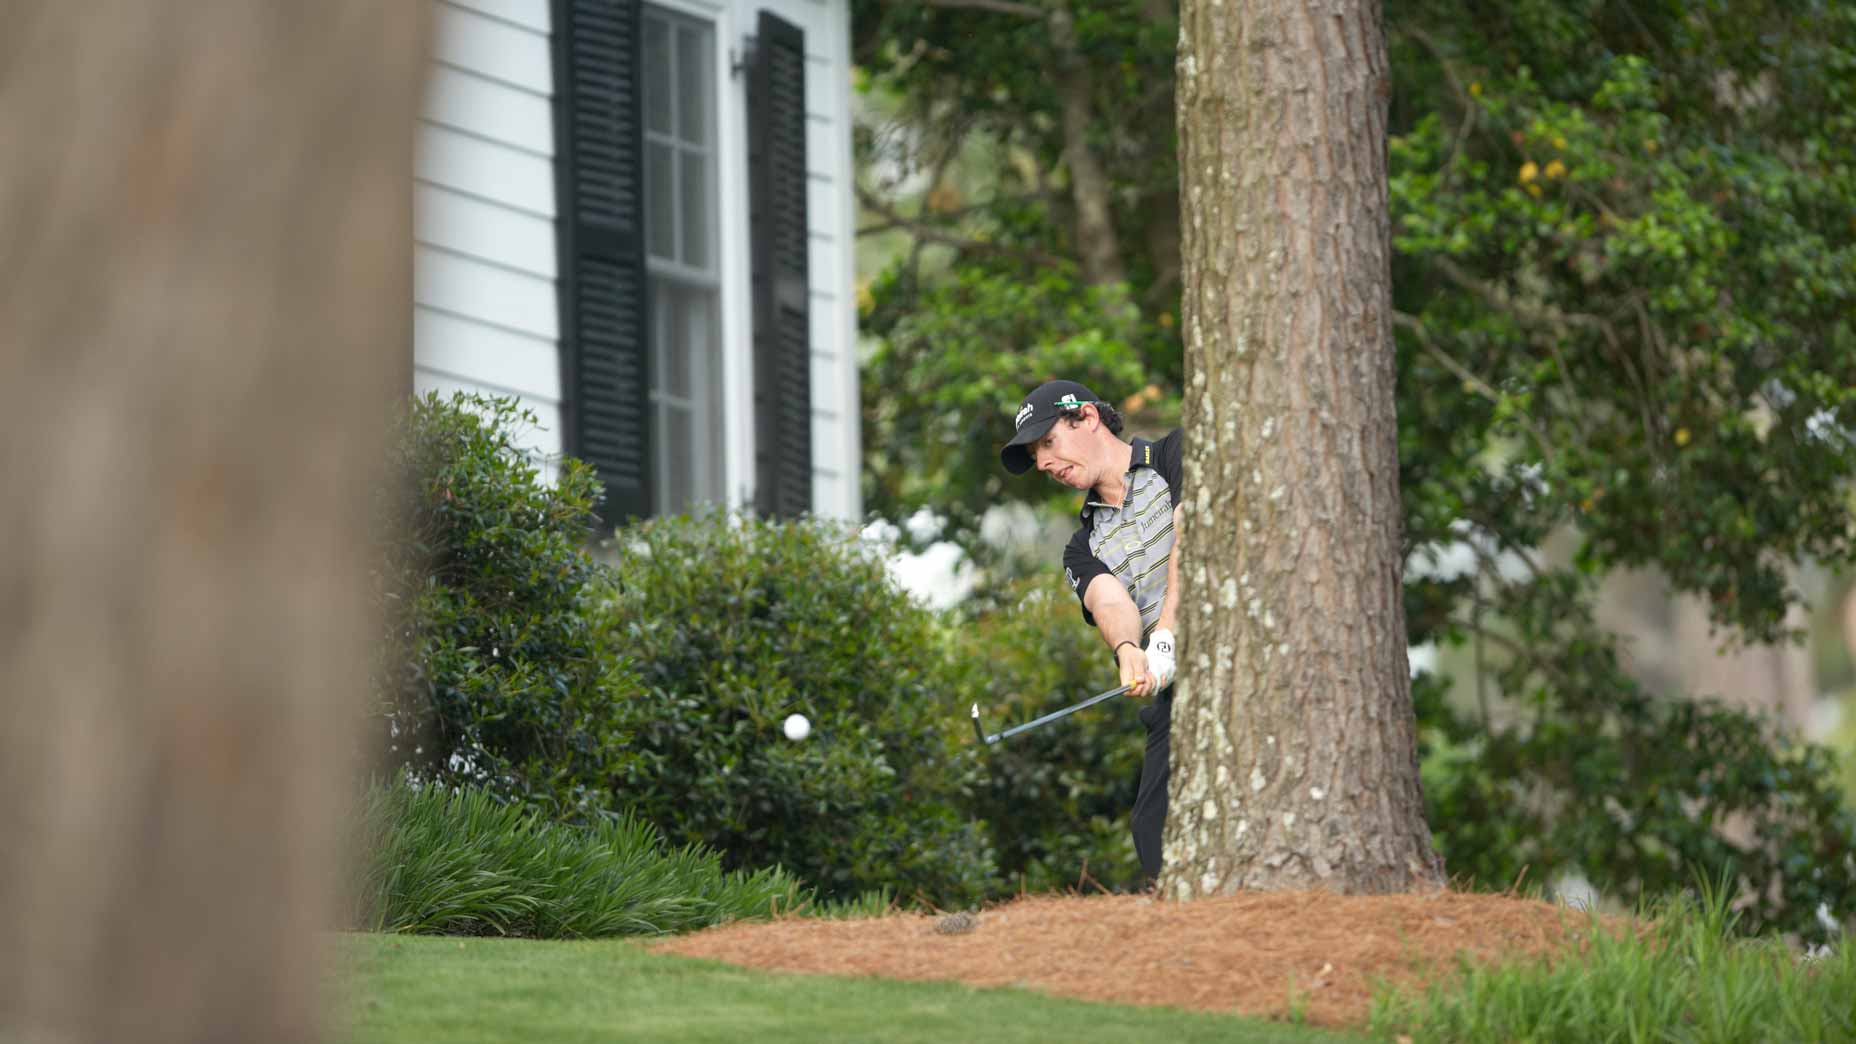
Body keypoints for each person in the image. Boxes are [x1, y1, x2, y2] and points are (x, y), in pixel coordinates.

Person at [1000, 379, 1183, 887]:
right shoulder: (1082, 545)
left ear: (1086, 417)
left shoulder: (1173, 454)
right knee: (1152, 826)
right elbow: (1108, 600)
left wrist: (1165, 634)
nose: (1042, 464)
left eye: (1048, 443)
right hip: (1174, 687)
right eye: (1035, 456)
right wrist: (1130, 650)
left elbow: (1196, 536)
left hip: (1234, 658)